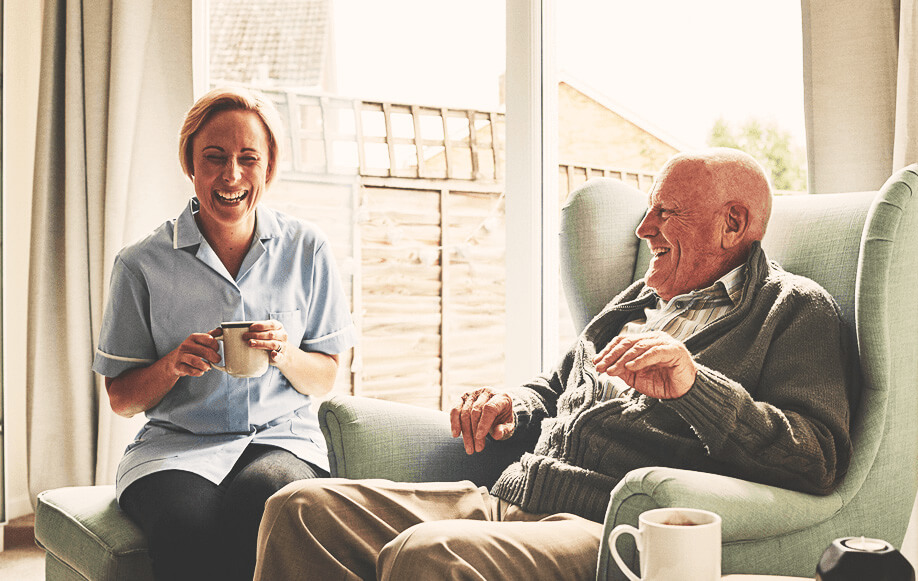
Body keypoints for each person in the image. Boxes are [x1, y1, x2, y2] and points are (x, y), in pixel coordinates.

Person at [252, 148, 858, 580]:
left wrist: (693, 384)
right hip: (513, 494)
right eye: (648, 211)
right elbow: (556, 384)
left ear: (733, 224)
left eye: (665, 213)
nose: (644, 229)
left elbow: (818, 458)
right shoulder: (639, 299)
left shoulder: (793, 310)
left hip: (607, 525)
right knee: (298, 510)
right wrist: (512, 404)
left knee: (430, 556)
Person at [93, 86, 356, 581]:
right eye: (213, 158)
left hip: (283, 440)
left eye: (247, 158)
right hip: (175, 445)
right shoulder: (139, 264)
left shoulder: (309, 250)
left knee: (263, 503)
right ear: (190, 165)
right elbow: (122, 399)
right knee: (182, 524)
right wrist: (172, 365)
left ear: (269, 167)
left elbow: (324, 379)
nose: (230, 175)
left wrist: (283, 353)